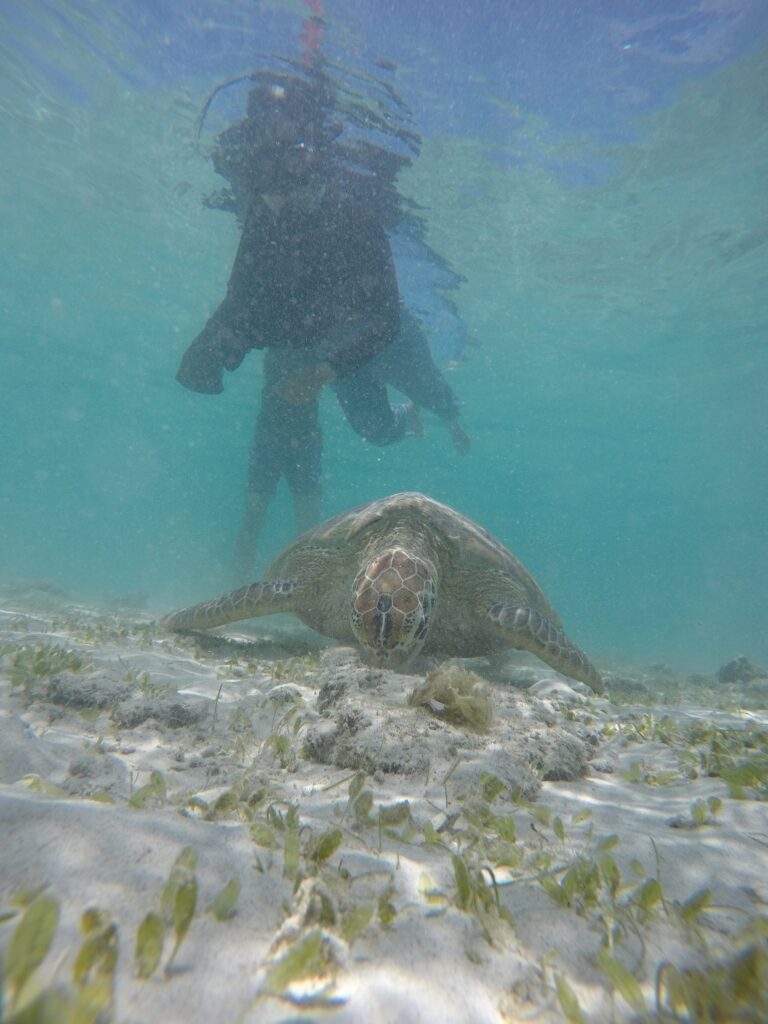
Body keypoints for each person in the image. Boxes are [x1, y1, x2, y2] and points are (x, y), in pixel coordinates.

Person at [176, 74, 469, 580]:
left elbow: (385, 322)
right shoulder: (265, 220)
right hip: (310, 340)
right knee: (290, 417)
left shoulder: (356, 219)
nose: (271, 207)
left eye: (281, 183)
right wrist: (218, 345)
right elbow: (243, 301)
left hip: (366, 336)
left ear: (309, 167)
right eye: (260, 187)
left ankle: (426, 412)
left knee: (376, 428)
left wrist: (326, 370)